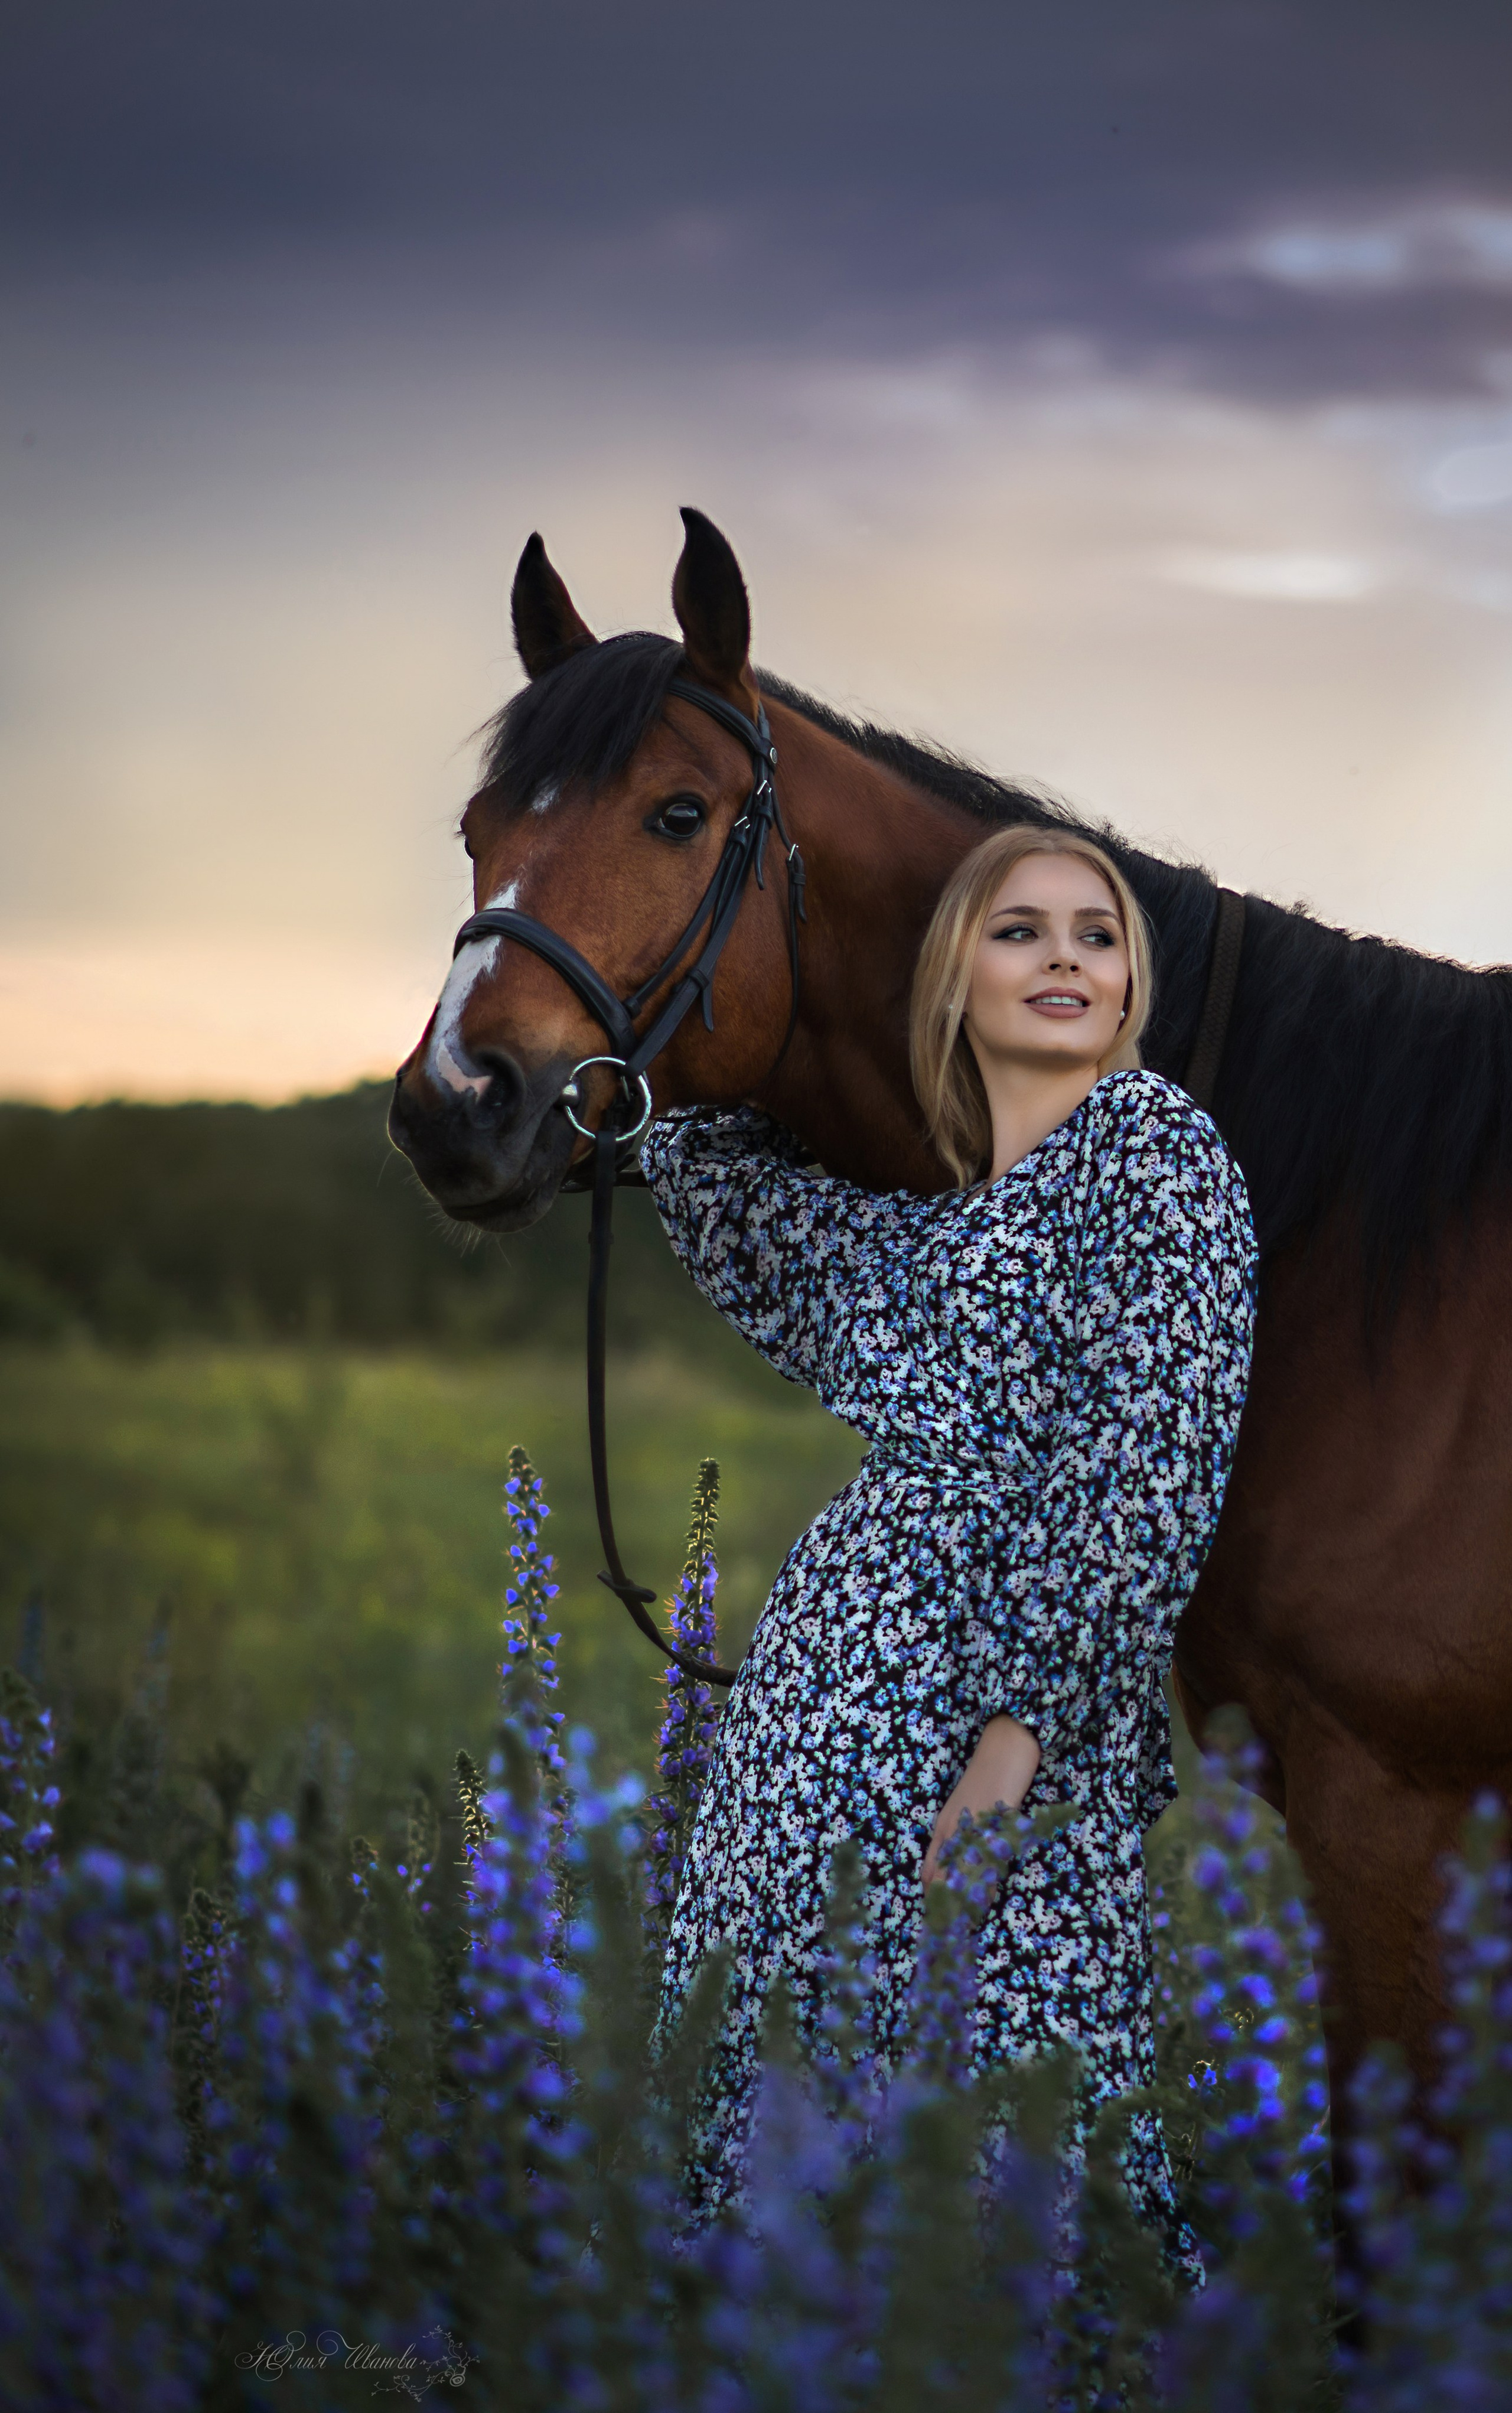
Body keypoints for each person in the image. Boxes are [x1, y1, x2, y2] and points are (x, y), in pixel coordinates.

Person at [641, 823, 1257, 2275]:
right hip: (803, 1763)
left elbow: (1148, 1484)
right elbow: (720, 1177)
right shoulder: (916, 1247)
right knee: (766, 2169)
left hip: (999, 1756)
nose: (1062, 955)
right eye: (1018, 929)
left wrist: (1010, 1748)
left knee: (1020, 2158)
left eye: (1095, 935)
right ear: (948, 983)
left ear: (1126, 993)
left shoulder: (1152, 1157)